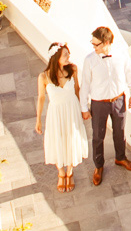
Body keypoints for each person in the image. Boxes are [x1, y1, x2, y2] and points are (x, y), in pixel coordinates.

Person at [80, 25, 131, 186]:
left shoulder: (121, 55)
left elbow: (130, 74)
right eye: (92, 44)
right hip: (99, 103)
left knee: (120, 132)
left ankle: (121, 158)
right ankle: (98, 166)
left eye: (96, 44)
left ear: (106, 42)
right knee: (98, 136)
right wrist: (84, 108)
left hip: (119, 100)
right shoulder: (89, 60)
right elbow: (85, 84)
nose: (93, 47)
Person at [35, 42, 89, 193]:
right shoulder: (43, 77)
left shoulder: (73, 69)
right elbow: (41, 98)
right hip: (56, 113)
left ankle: (70, 172)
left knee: (71, 138)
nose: (68, 57)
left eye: (68, 54)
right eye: (65, 55)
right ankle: (61, 173)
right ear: (56, 57)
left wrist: (82, 108)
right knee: (58, 139)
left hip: (72, 110)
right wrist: (38, 119)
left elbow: (77, 89)